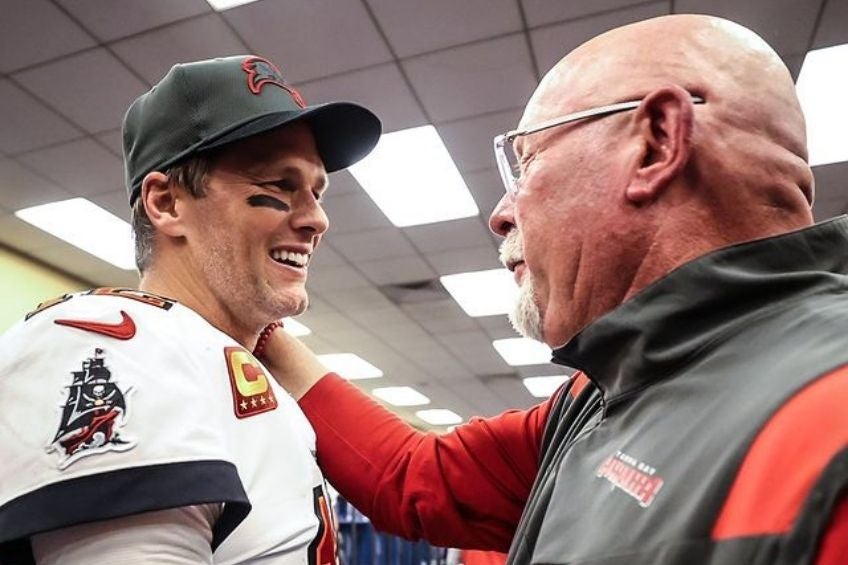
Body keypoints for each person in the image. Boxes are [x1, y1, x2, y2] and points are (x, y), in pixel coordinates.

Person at [258, 14, 848, 564]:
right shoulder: (600, 396)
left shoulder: (828, 421)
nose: (501, 213)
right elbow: (414, 477)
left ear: (656, 143)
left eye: (526, 161)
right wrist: (263, 328)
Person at [0, 55, 380, 564]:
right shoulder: (119, 348)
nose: (317, 219)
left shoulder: (224, 367)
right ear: (167, 203)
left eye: (316, 191)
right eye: (278, 185)